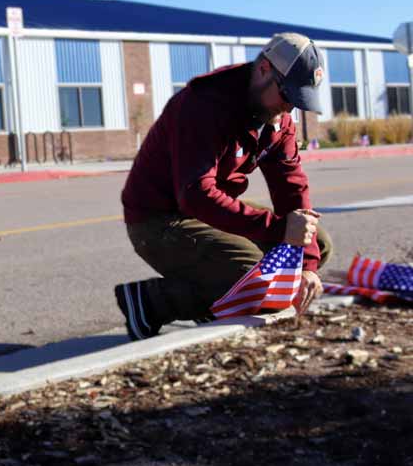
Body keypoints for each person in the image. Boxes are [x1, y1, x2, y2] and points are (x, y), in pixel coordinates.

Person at [116, 32, 332, 340]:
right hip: (160, 220)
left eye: (297, 102)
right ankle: (153, 302)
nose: (288, 109)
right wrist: (278, 230)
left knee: (317, 244)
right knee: (257, 277)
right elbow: (196, 195)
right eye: (286, 95)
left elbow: (291, 186)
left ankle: (217, 300)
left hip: (210, 212)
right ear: (264, 70)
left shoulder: (279, 120)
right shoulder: (205, 104)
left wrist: (307, 263)